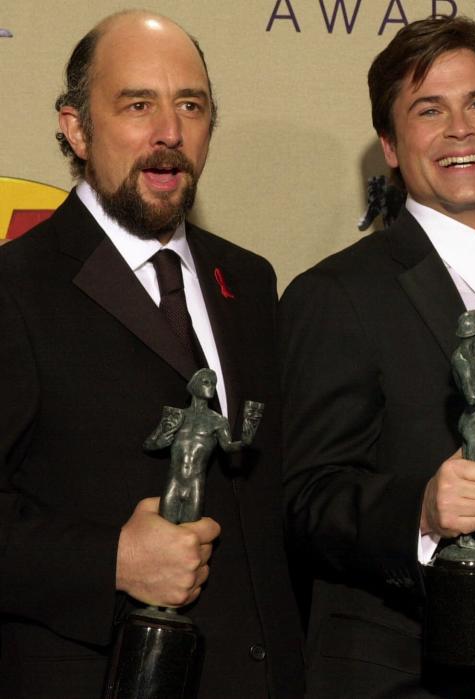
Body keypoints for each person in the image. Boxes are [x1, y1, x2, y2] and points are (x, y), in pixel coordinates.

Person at [280, 16, 475, 699]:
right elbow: (302, 498)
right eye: (429, 110)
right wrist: (417, 512)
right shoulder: (336, 294)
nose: (460, 129)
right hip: (412, 675)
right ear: (390, 146)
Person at [0, 11, 302, 698]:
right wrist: (110, 559)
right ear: (75, 127)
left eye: (190, 105)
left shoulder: (250, 282)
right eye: (138, 105)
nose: (170, 132)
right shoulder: (13, 289)